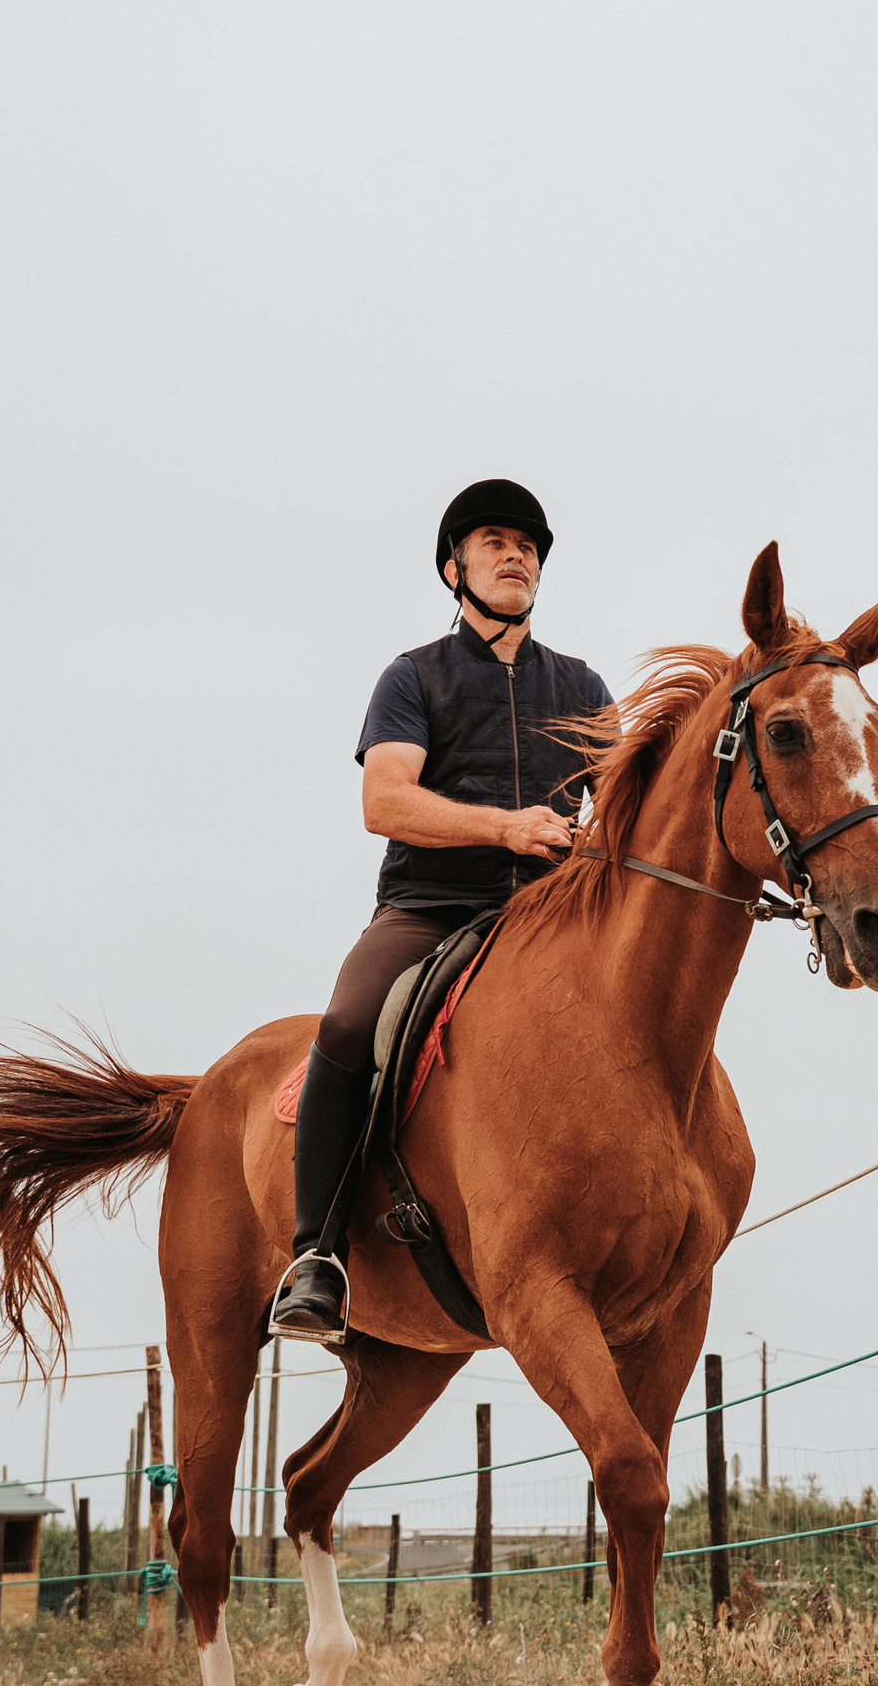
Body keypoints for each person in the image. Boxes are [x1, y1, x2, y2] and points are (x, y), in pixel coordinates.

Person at [270, 479, 612, 1341]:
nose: (516, 554)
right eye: (495, 540)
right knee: (350, 1022)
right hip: (429, 908)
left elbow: (624, 805)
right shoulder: (412, 675)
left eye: (528, 544)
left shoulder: (583, 685)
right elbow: (384, 801)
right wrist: (505, 825)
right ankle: (318, 1254)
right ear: (454, 566)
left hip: (549, 919)